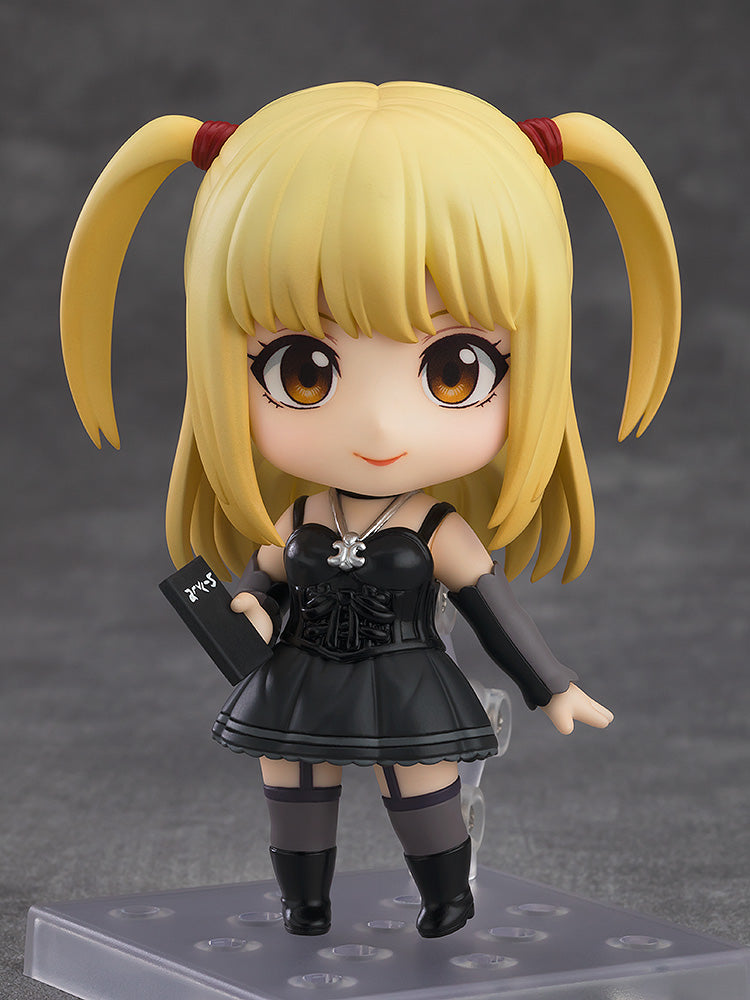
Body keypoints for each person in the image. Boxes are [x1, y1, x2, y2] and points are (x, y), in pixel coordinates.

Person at [60, 81, 680, 938]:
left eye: (455, 369)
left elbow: (493, 611)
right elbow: (264, 575)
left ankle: (446, 897)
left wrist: (553, 687)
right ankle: (304, 903)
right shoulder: (304, 515)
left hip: (404, 674)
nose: (381, 427)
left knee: (420, 782)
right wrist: (247, 603)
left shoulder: (434, 529)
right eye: (303, 371)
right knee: (291, 778)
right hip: (301, 672)